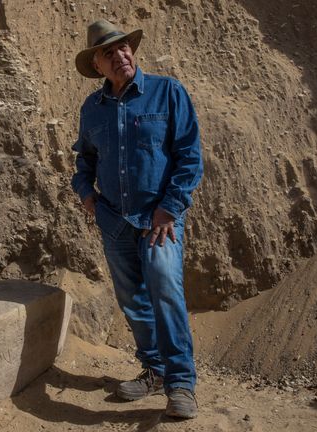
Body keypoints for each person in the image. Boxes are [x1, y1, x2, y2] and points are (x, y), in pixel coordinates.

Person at [71, 19, 203, 419]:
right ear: (97, 66)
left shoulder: (167, 91)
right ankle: (154, 370)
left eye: (124, 47)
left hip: (160, 217)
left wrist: (170, 207)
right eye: (108, 52)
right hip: (114, 222)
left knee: (164, 288)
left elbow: (190, 156)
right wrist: (88, 200)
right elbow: (83, 163)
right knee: (132, 301)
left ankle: (180, 382)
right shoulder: (91, 110)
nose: (120, 55)